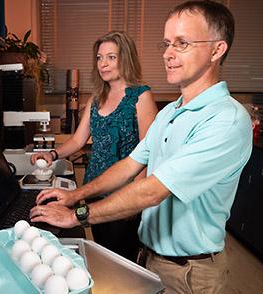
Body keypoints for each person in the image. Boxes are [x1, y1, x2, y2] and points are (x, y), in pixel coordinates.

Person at [30, 1, 253, 293]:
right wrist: (76, 195)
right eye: (167, 43)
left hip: (189, 271)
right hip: (151, 257)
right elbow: (131, 163)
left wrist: (76, 215)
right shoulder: (170, 113)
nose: (168, 54)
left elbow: (152, 189)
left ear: (216, 49)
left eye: (182, 43)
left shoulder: (226, 119)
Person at [30, 31, 158, 261]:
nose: (103, 64)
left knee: (123, 260)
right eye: (99, 58)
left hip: (123, 194)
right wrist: (52, 153)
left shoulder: (141, 97)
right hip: (94, 190)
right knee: (104, 254)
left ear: (125, 58)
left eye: (111, 57)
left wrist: (136, 199)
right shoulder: (96, 98)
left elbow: (148, 154)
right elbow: (78, 140)